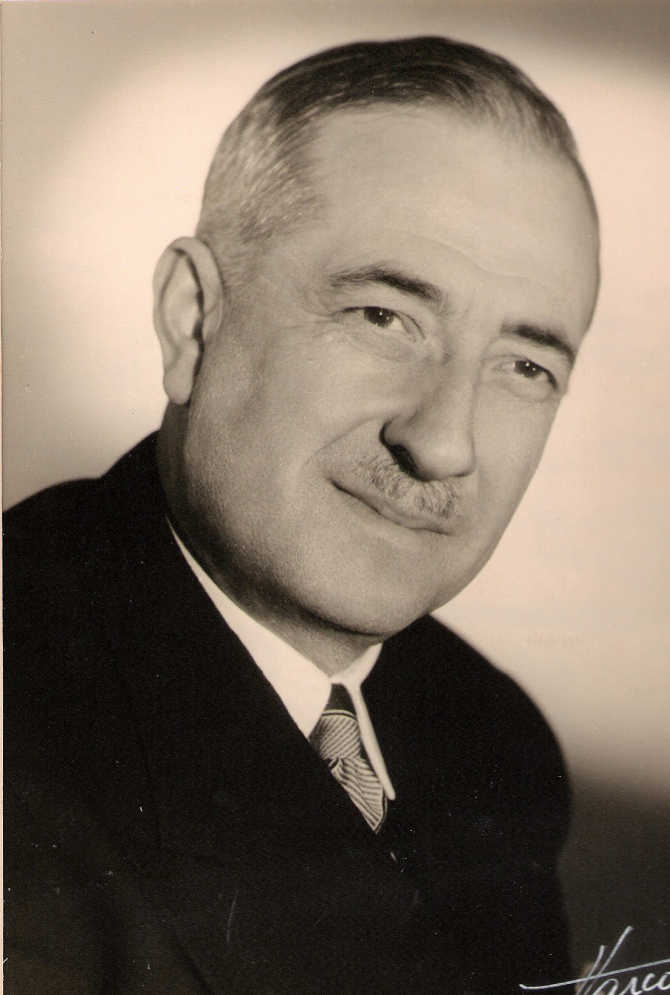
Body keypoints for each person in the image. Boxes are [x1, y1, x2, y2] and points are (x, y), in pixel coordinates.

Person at [4, 36, 599, 995]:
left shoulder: (491, 741)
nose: (443, 442)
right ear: (192, 319)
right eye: (383, 317)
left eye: (525, 366)